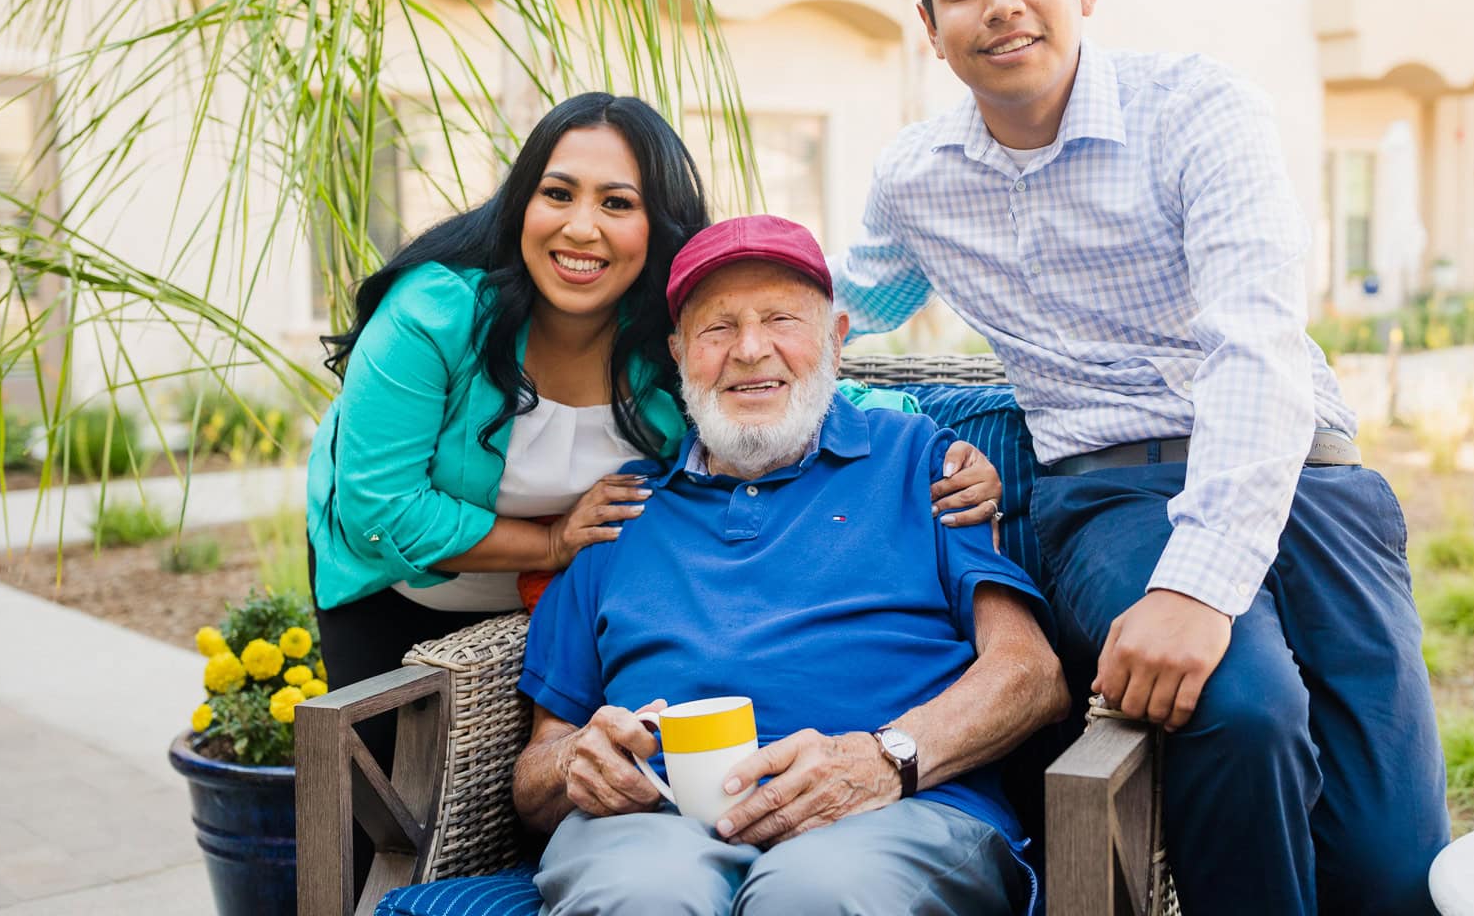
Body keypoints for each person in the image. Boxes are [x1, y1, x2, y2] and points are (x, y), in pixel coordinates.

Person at [831, 0, 1448, 916]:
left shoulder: (1197, 109)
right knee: (1238, 707)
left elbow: (1256, 341)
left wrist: (1202, 584)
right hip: (1111, 502)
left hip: (1308, 478)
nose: (1003, 2)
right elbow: (829, 316)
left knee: (1395, 871)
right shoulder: (917, 180)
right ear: (933, 28)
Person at [305, 95, 1002, 764]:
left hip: (570, 603)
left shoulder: (664, 344)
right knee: (376, 805)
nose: (582, 227)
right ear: (521, 203)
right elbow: (380, 509)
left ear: (657, 227)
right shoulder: (433, 314)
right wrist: (549, 540)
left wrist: (941, 449)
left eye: (617, 203)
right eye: (558, 194)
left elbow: (800, 385)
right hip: (402, 587)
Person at [511, 215, 1069, 915]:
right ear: (680, 353)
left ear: (835, 339)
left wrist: (887, 757)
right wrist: (574, 766)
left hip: (893, 811)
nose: (750, 350)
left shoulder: (923, 463)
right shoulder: (620, 511)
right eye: (718, 328)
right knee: (642, 898)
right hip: (656, 827)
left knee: (813, 897)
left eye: (782, 319)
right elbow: (536, 772)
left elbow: (1031, 674)